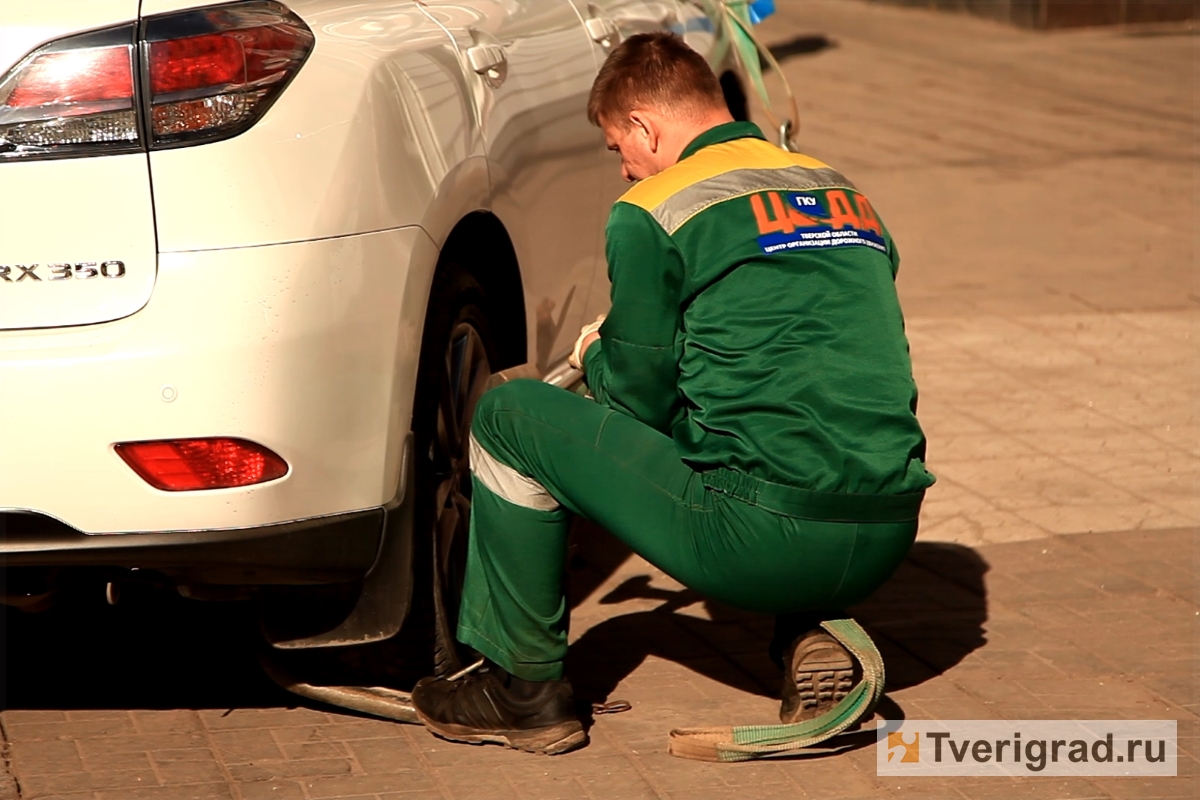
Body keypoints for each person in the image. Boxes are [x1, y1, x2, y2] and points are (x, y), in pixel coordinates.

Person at [410, 32, 934, 755]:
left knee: (508, 415)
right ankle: (809, 629)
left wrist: (601, 353)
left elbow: (638, 406)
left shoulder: (653, 208)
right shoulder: (841, 188)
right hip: (887, 530)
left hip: (759, 540)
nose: (624, 171)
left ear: (645, 128)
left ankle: (520, 690)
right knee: (787, 420)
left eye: (616, 148)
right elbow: (823, 353)